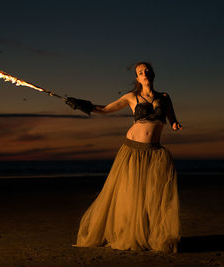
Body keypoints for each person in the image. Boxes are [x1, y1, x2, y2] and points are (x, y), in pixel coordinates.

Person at [65, 62, 182, 252]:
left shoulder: (165, 97)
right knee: (130, 194)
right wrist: (82, 105)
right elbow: (104, 109)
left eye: (147, 71)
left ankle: (148, 235)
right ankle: (126, 233)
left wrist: (176, 125)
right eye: (140, 72)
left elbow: (172, 120)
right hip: (132, 151)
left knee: (152, 196)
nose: (144, 74)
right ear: (137, 78)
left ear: (153, 74)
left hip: (155, 152)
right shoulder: (132, 97)